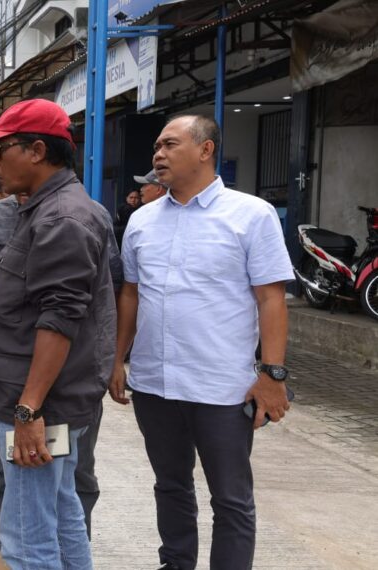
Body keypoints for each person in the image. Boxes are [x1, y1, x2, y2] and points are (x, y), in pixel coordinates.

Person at [110, 115, 293, 570]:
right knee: (170, 487)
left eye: (169, 144)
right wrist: (117, 359)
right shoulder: (142, 221)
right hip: (155, 384)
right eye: (156, 145)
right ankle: (176, 564)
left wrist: (272, 376)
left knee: (231, 499)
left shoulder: (251, 215)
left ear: (206, 150)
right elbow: (130, 294)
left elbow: (271, 299)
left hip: (222, 389)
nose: (158, 154)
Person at [0, 99, 116, 569]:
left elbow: (58, 320)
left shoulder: (61, 219)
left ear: (36, 150)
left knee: (26, 537)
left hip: (41, 403)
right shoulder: (43, 210)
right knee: (62, 514)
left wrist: (28, 410)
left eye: (1, 149)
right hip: (49, 399)